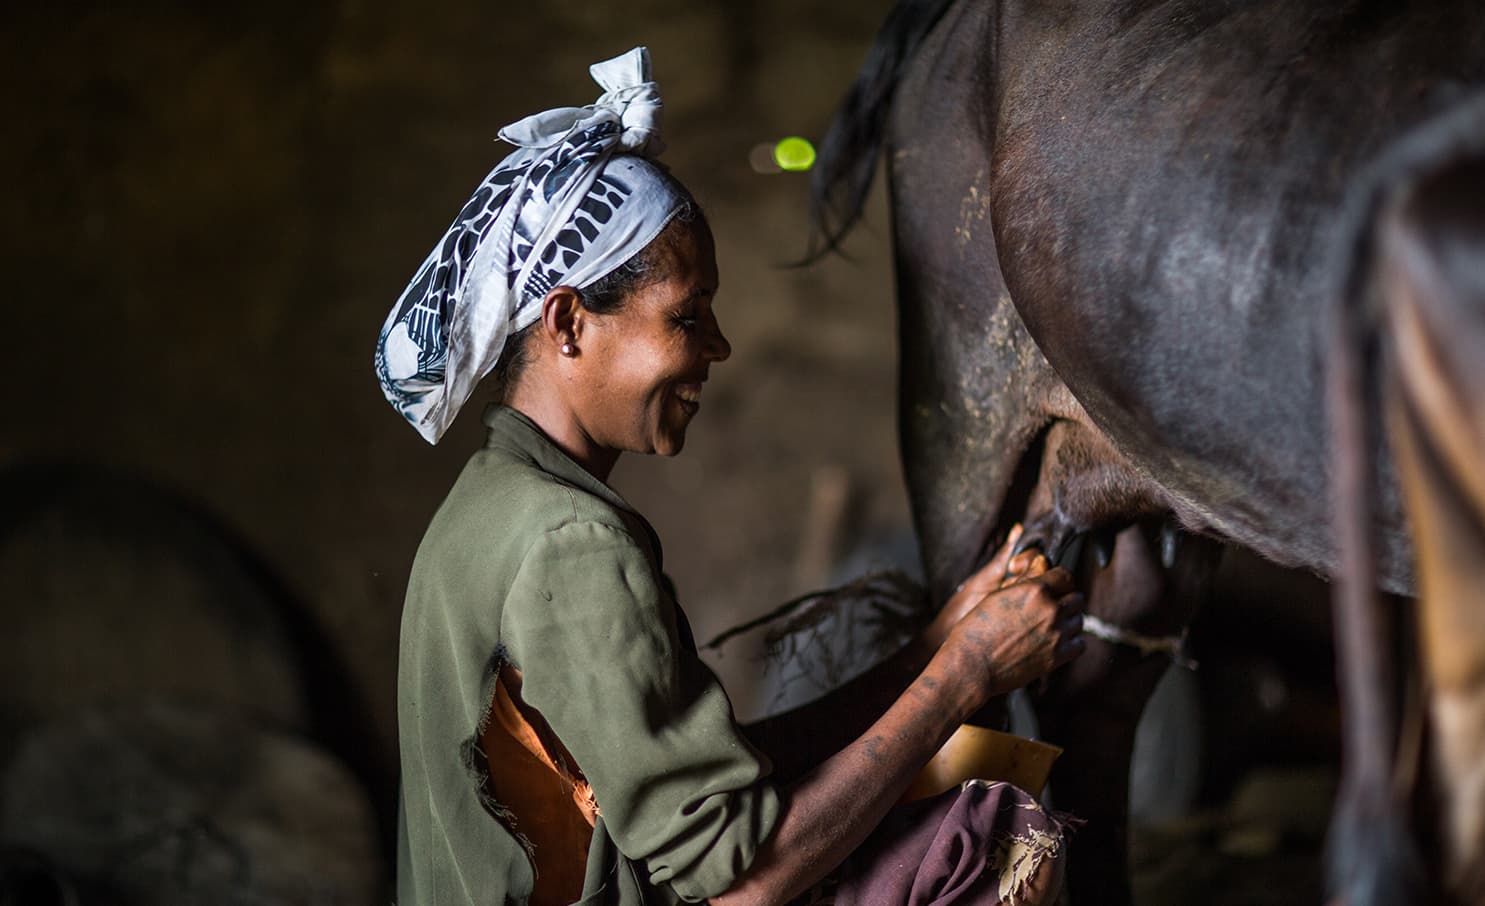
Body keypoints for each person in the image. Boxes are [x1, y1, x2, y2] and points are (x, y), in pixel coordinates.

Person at [376, 47, 1086, 906]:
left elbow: (717, 785)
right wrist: (964, 673)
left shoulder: (490, 505)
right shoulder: (575, 544)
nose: (715, 348)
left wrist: (934, 647)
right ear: (568, 325)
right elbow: (742, 882)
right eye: (686, 315)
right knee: (990, 833)